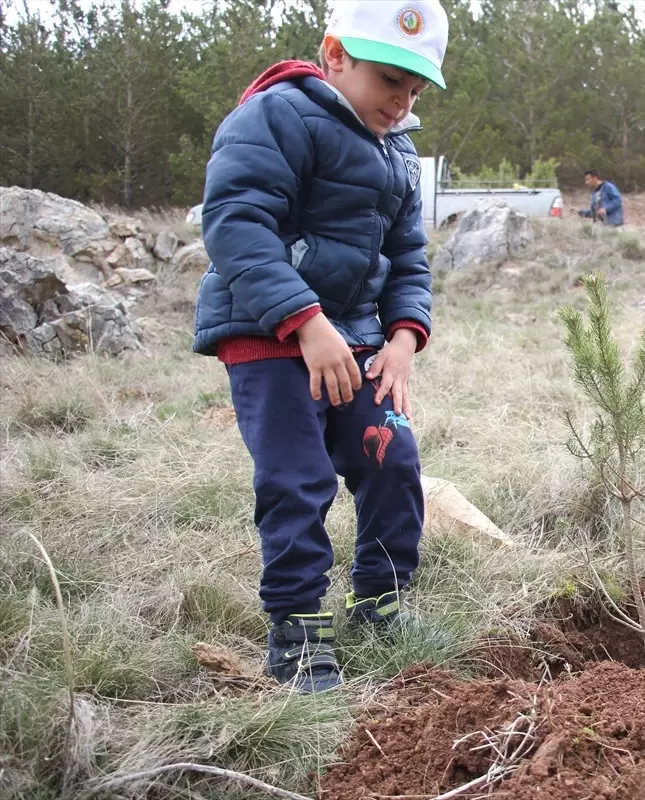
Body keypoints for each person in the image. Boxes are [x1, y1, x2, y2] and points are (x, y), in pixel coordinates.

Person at [192, 0, 449, 692]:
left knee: (393, 457)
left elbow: (407, 257)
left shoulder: (397, 149)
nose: (401, 101)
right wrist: (306, 323)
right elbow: (237, 224)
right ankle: (299, 634)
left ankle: (379, 602)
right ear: (336, 55)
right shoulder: (275, 115)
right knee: (297, 480)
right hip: (271, 337)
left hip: (362, 344)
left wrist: (401, 340)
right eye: (390, 80)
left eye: (416, 89)